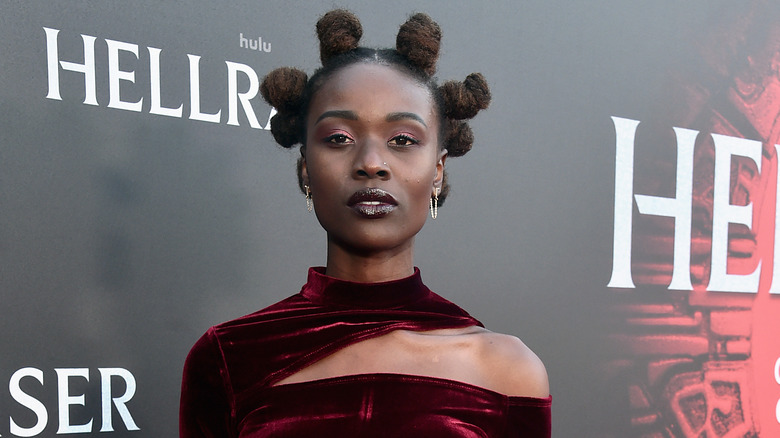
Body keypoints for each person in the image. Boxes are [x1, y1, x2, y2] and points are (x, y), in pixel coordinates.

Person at [180, 10, 551, 437]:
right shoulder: (227, 359)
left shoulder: (508, 373)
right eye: (339, 138)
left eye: (403, 141)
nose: (372, 163)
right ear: (305, 170)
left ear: (437, 171)